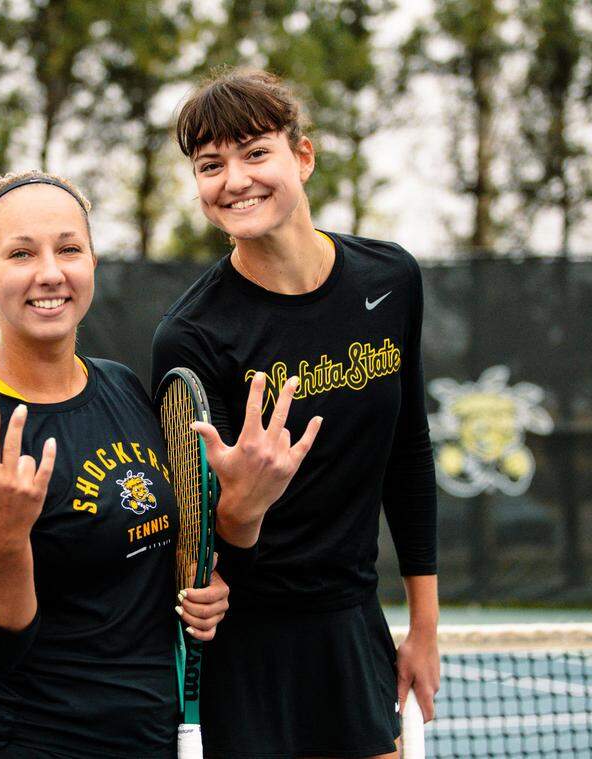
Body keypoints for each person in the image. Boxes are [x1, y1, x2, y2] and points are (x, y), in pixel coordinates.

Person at [0, 170, 315, 758]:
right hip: (22, 743)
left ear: (92, 262)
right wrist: (5, 537)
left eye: (69, 248)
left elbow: (150, 559)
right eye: (21, 253)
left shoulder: (123, 387)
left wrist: (223, 554)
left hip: (144, 738)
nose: (50, 272)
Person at [151, 68, 440, 759]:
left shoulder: (391, 280)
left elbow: (409, 453)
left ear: (302, 156)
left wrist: (424, 625)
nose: (235, 179)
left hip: (351, 626)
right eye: (210, 164)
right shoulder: (191, 335)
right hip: (242, 647)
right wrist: (240, 507)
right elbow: (204, 525)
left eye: (255, 152)